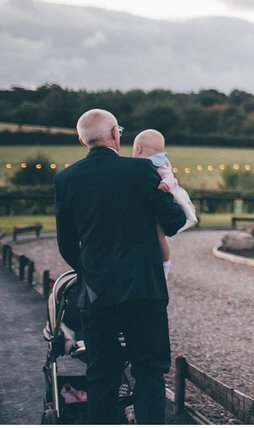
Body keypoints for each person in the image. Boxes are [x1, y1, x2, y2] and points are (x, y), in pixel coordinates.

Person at [55, 109, 187, 424]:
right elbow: (174, 222)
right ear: (116, 134)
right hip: (143, 289)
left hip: (97, 292)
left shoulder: (66, 179)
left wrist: (91, 272)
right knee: (149, 372)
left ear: (81, 140)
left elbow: (66, 244)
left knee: (101, 374)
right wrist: (171, 191)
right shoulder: (142, 172)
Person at [131, 129, 198, 279]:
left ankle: (166, 263)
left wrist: (165, 185)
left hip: (162, 202)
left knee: (160, 237)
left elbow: (170, 177)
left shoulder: (159, 163)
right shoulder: (145, 164)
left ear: (138, 149)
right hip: (153, 208)